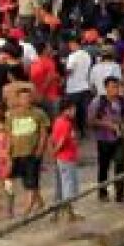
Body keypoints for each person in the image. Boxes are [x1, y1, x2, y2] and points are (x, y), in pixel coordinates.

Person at [5, 83, 48, 218]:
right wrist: (7, 152)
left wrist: (40, 149)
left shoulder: (39, 113)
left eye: (29, 97)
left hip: (32, 153)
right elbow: (9, 135)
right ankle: (40, 203)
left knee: (31, 180)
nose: (26, 100)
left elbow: (43, 133)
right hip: (17, 153)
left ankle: (27, 210)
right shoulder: (11, 115)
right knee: (25, 180)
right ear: (18, 99)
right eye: (23, 98)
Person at [88, 76, 124, 204]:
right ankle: (102, 193)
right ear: (106, 88)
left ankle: (120, 194)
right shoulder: (97, 102)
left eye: (117, 87)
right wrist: (107, 124)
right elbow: (90, 121)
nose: (115, 90)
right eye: (112, 87)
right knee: (104, 167)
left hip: (119, 138)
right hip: (104, 139)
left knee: (120, 165)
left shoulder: (122, 101)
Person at [45, 90, 79, 222]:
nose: (75, 112)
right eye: (73, 109)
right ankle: (69, 213)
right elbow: (61, 141)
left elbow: (52, 138)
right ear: (67, 109)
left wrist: (53, 153)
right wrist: (54, 152)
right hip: (66, 158)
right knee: (68, 185)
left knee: (60, 185)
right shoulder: (66, 123)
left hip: (61, 158)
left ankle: (56, 213)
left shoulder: (57, 121)